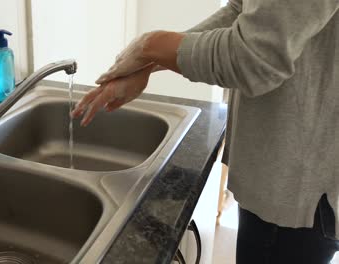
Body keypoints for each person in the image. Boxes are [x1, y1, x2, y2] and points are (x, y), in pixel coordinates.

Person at [71, 0, 339, 263]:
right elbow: (242, 11)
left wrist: (149, 46)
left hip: (299, 189)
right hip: (291, 173)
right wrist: (148, 62)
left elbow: (254, 58)